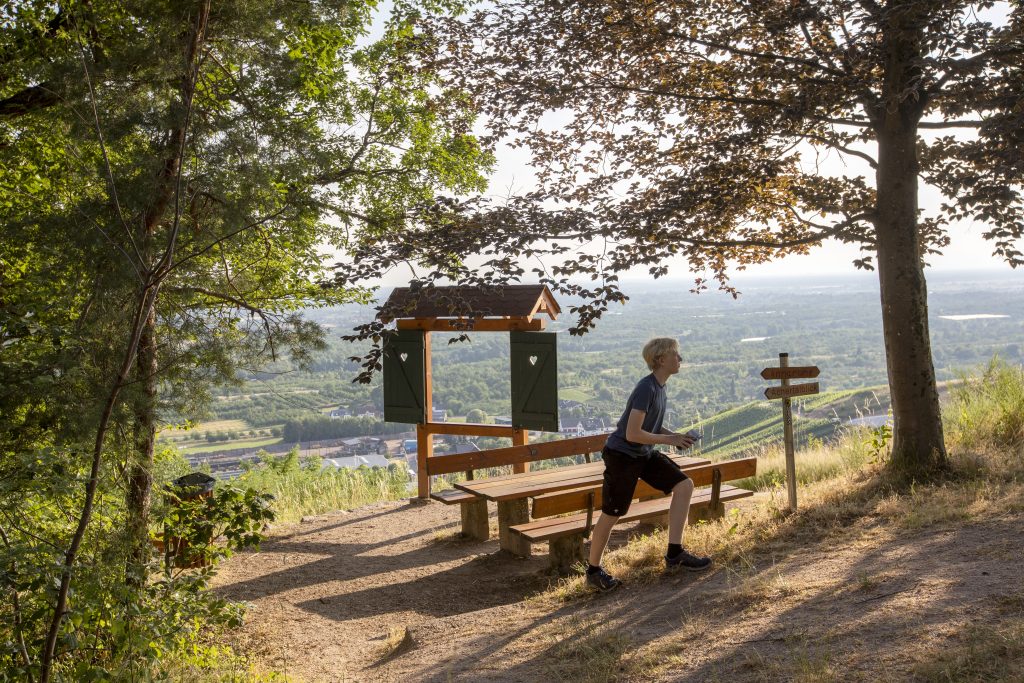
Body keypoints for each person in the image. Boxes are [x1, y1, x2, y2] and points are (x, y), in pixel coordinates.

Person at [586, 337, 711, 590]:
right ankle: (593, 572)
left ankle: (675, 554)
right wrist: (669, 439)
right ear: (661, 359)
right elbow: (632, 433)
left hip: (642, 453)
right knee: (613, 513)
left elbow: (648, 427)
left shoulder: (660, 387)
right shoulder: (646, 388)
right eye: (676, 355)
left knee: (684, 485)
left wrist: (677, 437)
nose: (680, 359)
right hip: (622, 455)